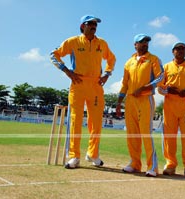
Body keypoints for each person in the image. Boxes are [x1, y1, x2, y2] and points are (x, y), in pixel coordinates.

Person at [50, 15, 116, 169]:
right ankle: (74, 156)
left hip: (96, 85)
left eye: (95, 24)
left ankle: (92, 154)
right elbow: (54, 54)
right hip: (78, 83)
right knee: (75, 120)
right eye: (90, 24)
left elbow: (112, 59)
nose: (94, 26)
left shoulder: (102, 43)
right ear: (82, 26)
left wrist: (107, 74)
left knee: (96, 122)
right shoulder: (73, 41)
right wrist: (67, 71)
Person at [116, 34, 163, 177]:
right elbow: (125, 84)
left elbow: (161, 76)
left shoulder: (153, 59)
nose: (145, 44)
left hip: (145, 99)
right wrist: (119, 102)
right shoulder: (129, 62)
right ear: (135, 44)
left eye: (147, 42)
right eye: (142, 42)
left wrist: (144, 88)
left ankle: (152, 167)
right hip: (130, 101)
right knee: (132, 134)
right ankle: (135, 163)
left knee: (146, 133)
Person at [157, 42, 185, 179]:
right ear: (173, 51)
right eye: (178, 49)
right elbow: (159, 85)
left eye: (183, 49)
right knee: (169, 138)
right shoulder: (165, 67)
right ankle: (170, 165)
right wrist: (167, 89)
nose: (181, 51)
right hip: (169, 106)